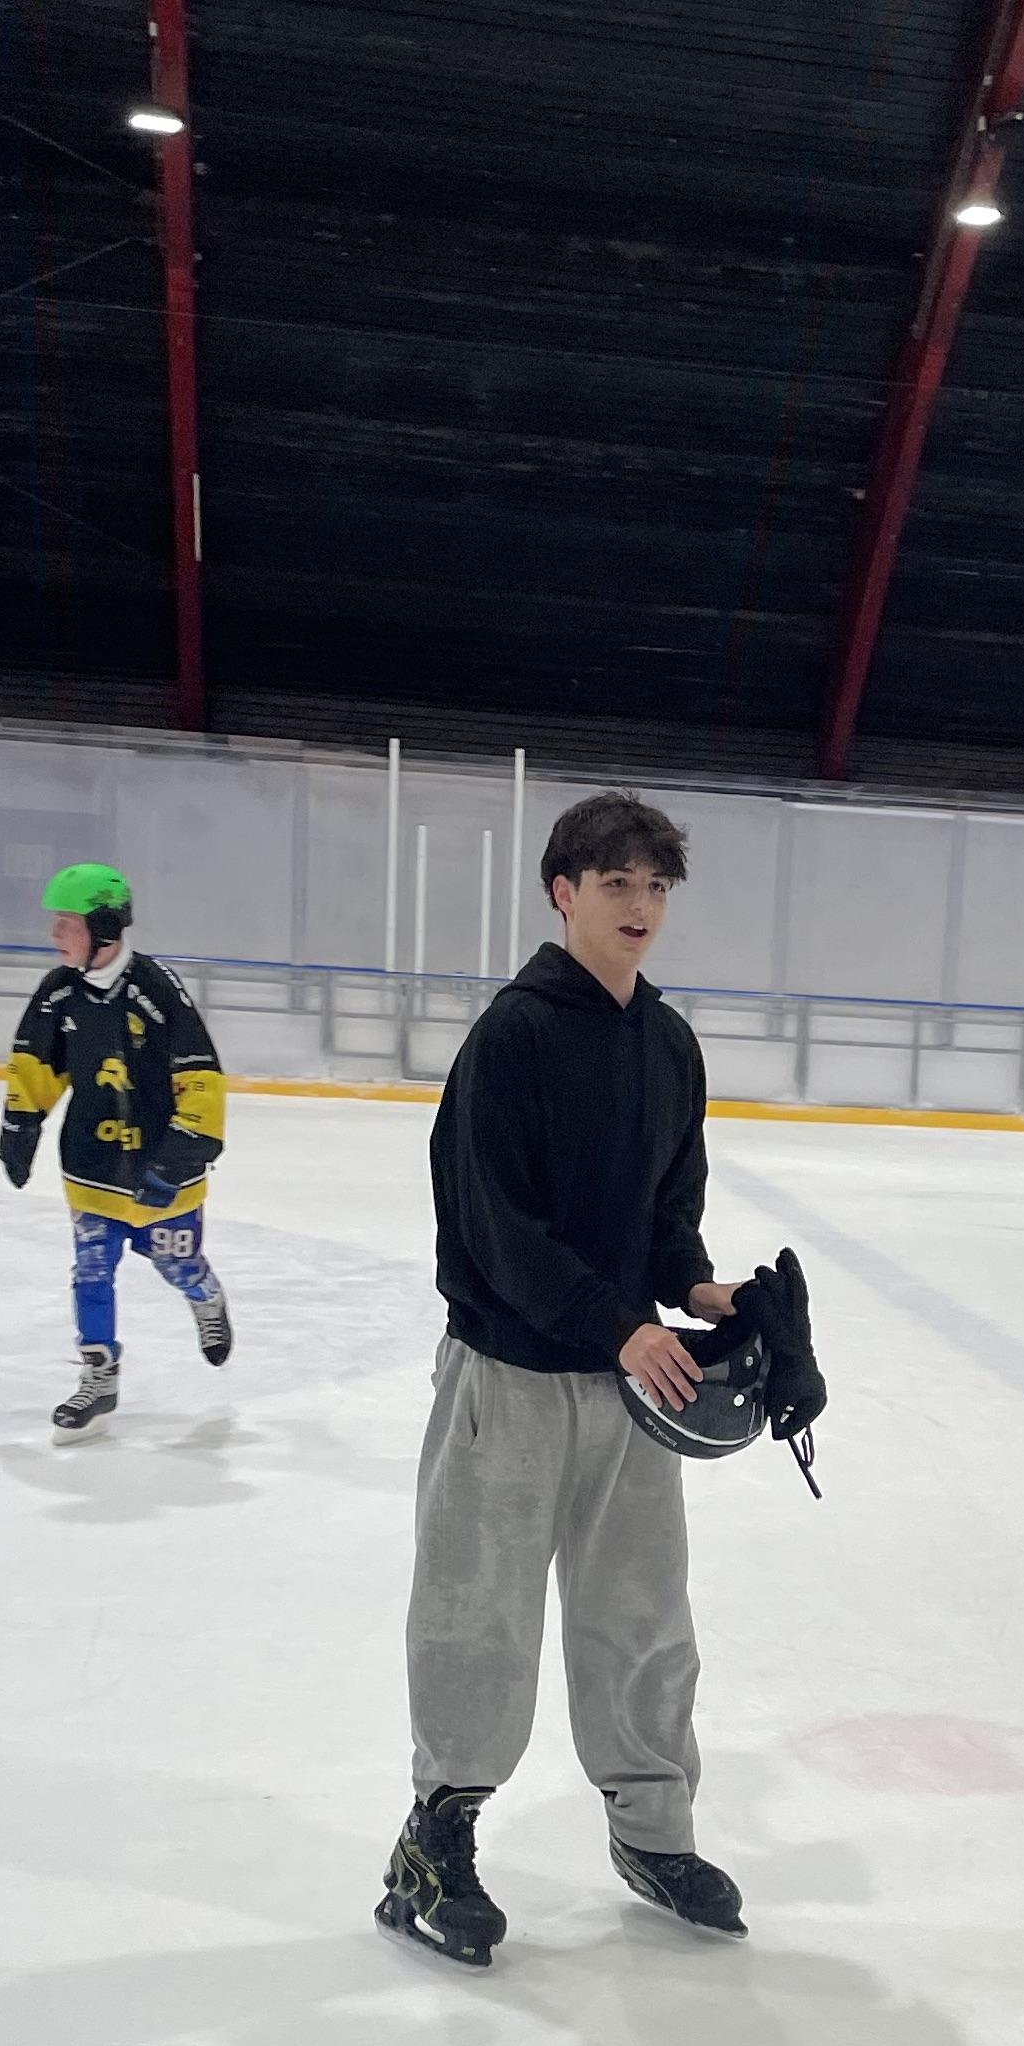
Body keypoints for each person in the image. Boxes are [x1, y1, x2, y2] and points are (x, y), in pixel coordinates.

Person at [382, 788, 755, 1964]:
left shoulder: (669, 1044)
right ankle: (434, 1841)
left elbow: (666, 1217)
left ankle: (652, 1834)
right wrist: (618, 1323)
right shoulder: (514, 1038)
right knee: (477, 1617)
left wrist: (703, 1293)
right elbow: (496, 1229)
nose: (640, 906)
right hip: (510, 1379)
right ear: (563, 892)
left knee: (642, 1619)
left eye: (656, 886)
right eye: (616, 883)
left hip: (633, 1385)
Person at [0, 862, 231, 1431]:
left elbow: (200, 1077)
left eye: (67, 923)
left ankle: (206, 1297)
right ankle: (98, 1375)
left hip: (161, 1168)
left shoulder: (157, 989)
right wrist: (20, 1129)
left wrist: (177, 1159)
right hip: (92, 1166)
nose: (55, 934)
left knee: (176, 1263)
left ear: (102, 928)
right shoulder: (57, 994)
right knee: (91, 1271)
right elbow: (34, 1065)